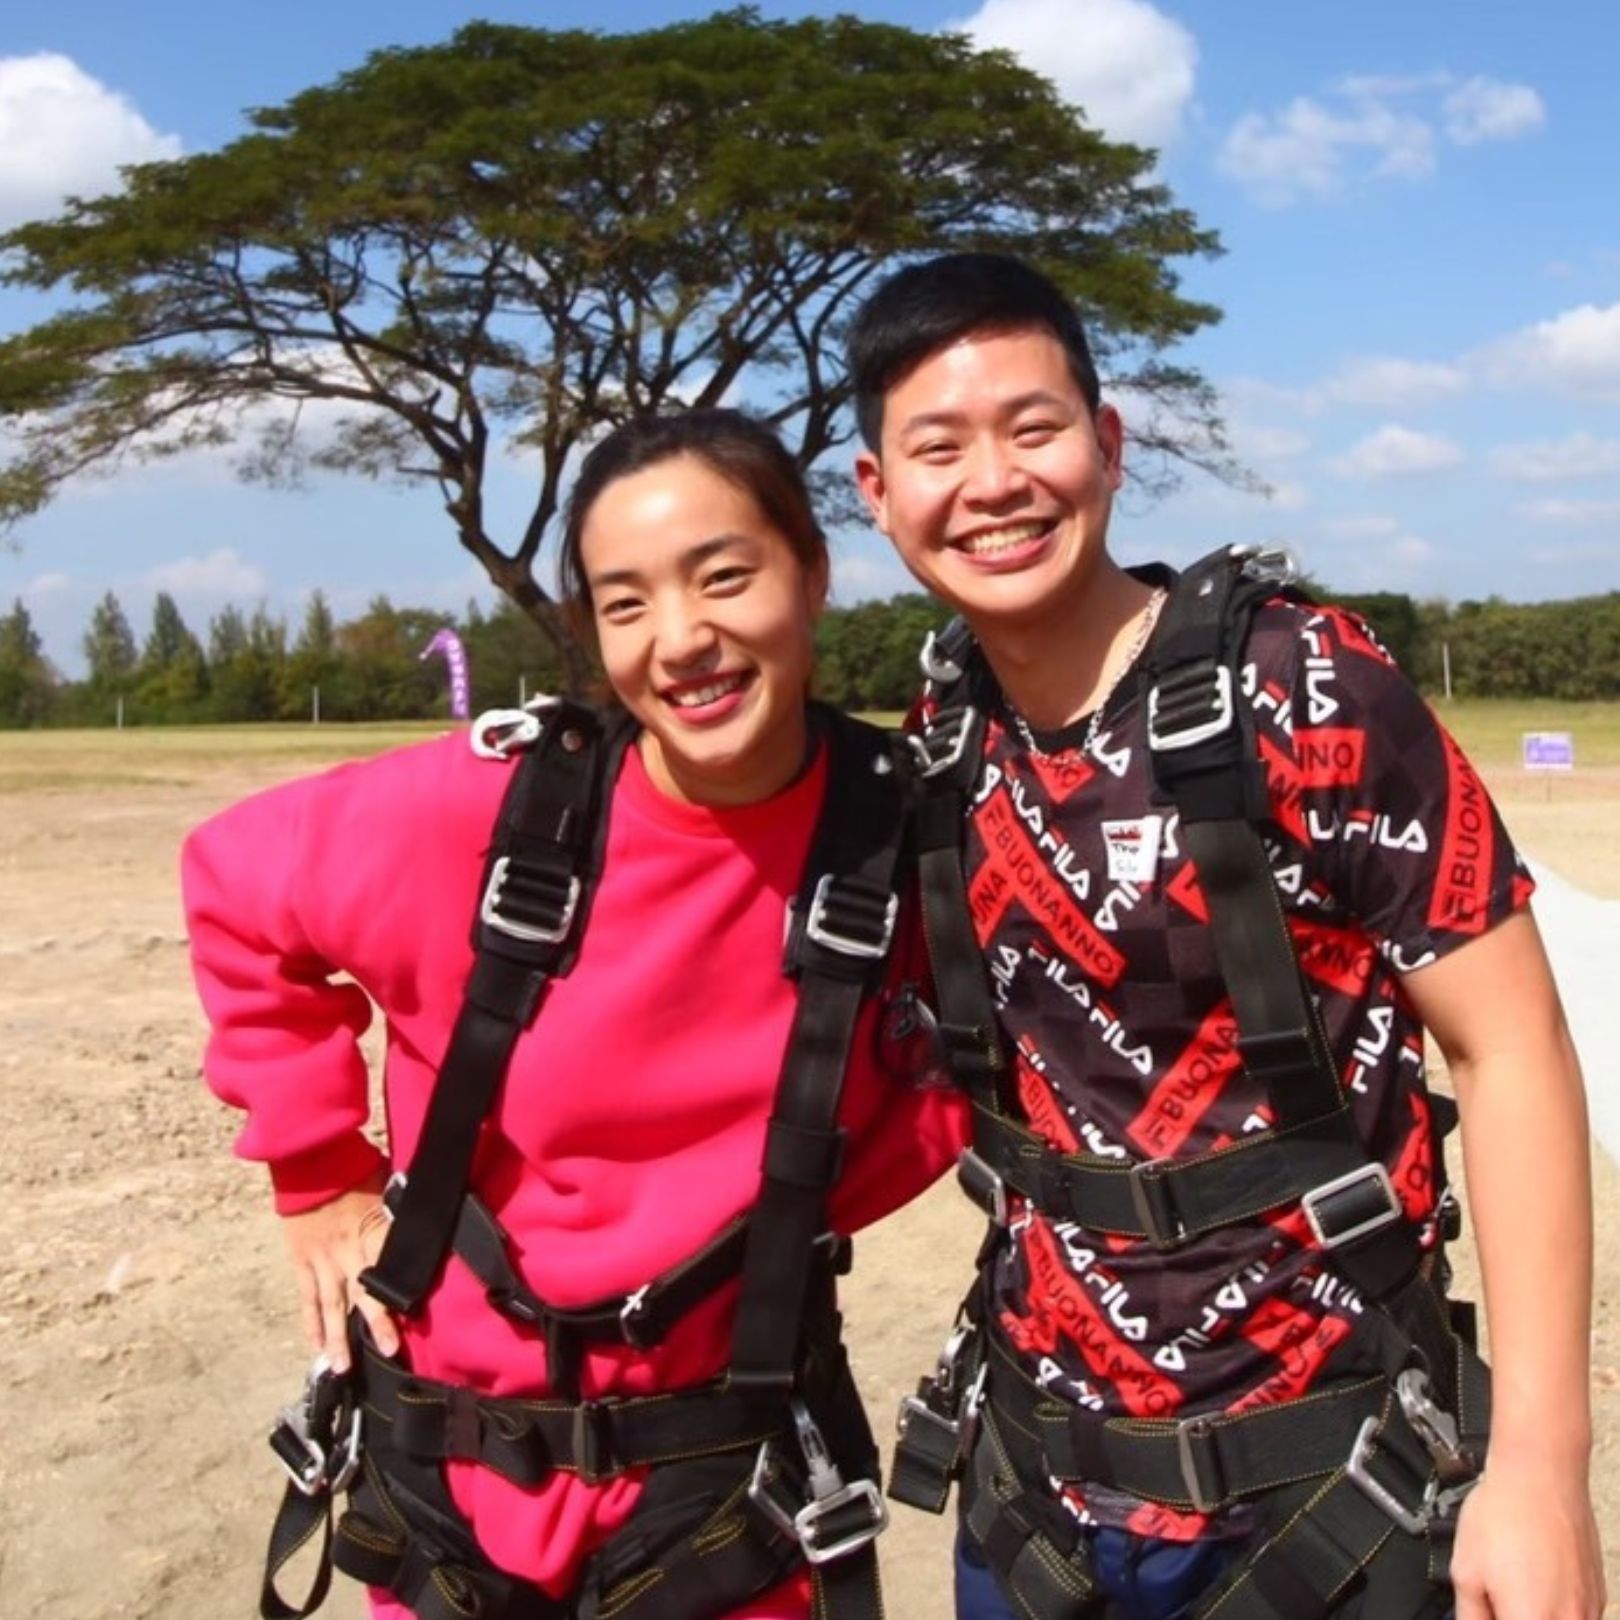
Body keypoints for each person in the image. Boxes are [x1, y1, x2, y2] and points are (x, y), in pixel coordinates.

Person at [846, 253, 1605, 1620]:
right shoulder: (942, 737)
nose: (995, 482)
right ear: (877, 492)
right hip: (1034, 1506)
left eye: (1035, 428)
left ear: (1108, 443)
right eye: (938, 447)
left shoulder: (1308, 684)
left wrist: (1544, 1469)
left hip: (1332, 1493)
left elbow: (1514, 1052)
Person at [182, 408, 965, 1620]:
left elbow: (1007, 1059)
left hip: (721, 1497)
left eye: (724, 577)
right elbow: (232, 880)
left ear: (811, 570)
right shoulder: (486, 814)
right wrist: (316, 1168)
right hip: (451, 1488)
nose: (683, 639)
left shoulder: (911, 842)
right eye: (627, 602)